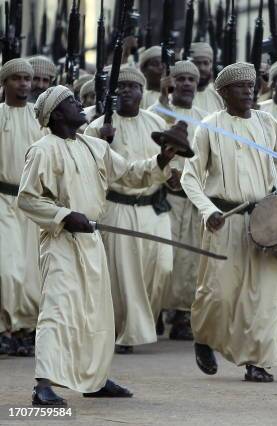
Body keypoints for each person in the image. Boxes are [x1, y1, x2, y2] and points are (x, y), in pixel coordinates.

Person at [18, 85, 176, 406]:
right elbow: (28, 198)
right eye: (73, 102)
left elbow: (130, 174)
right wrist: (63, 215)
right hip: (61, 240)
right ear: (57, 114)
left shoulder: (94, 147)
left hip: (92, 241)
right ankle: (43, 383)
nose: (81, 106)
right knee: (59, 309)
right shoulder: (42, 149)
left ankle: (95, 379)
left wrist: (161, 160)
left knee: (97, 312)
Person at [181, 62, 277, 382]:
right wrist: (208, 211)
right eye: (240, 87)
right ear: (223, 93)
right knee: (217, 294)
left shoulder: (267, 123)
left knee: (264, 297)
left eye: (251, 86)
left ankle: (257, 361)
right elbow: (190, 177)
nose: (248, 92)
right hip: (224, 221)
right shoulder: (209, 125)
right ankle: (204, 337)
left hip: (266, 222)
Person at [85, 66, 173, 355]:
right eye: (119, 87)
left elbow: (172, 166)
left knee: (161, 267)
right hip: (118, 206)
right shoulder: (97, 127)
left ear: (141, 91)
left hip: (153, 207)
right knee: (122, 273)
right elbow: (93, 170)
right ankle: (125, 331)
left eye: (131, 86)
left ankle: (146, 320)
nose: (125, 91)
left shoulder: (156, 122)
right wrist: (102, 140)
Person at [149, 60, 208, 340]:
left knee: (190, 261)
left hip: (193, 198)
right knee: (163, 258)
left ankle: (183, 317)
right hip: (164, 198)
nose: (186, 84)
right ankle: (155, 312)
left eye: (191, 79)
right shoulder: (156, 112)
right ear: (170, 83)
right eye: (180, 78)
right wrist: (166, 174)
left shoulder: (206, 117)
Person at [0, 59, 46, 357]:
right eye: (16, 78)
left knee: (32, 272)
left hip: (34, 203)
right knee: (7, 269)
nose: (24, 84)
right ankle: (4, 328)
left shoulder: (41, 119)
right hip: (2, 200)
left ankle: (26, 330)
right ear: (4, 82)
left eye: (27, 79)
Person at [185, 42, 224, 113]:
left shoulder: (218, 96)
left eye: (205, 63)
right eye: (197, 63)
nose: (202, 68)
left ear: (211, 65)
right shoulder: (179, 95)